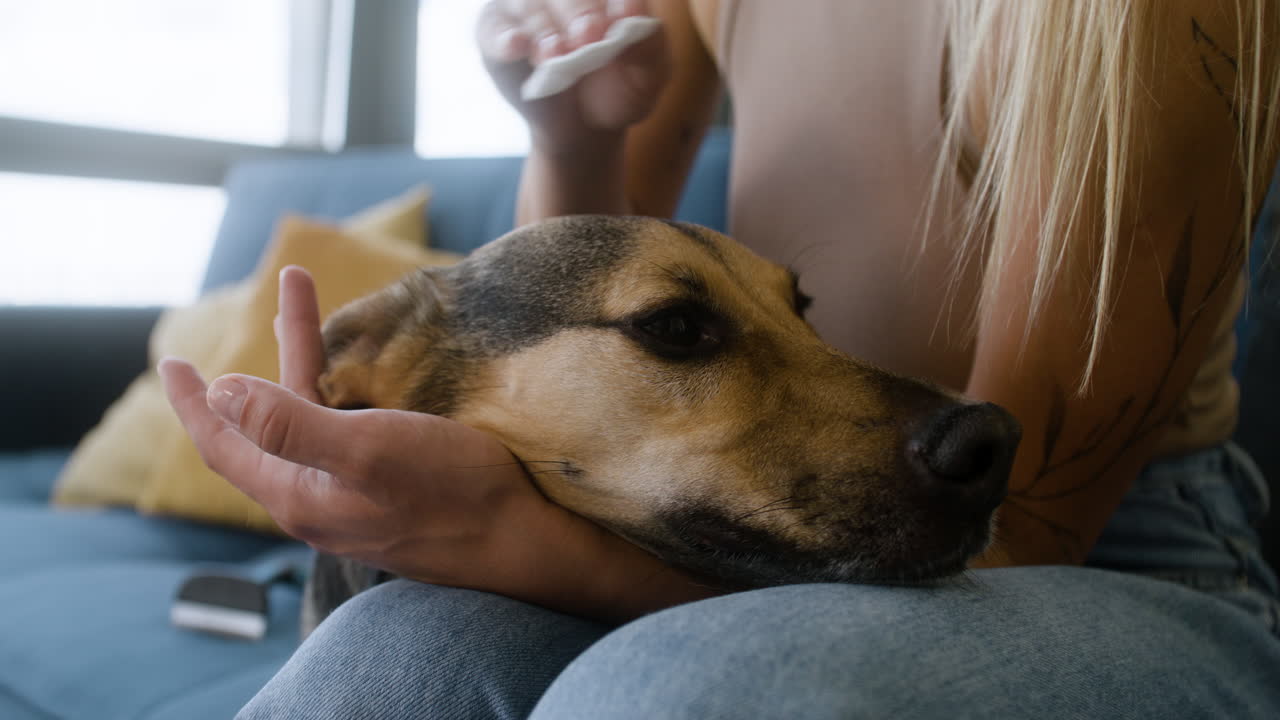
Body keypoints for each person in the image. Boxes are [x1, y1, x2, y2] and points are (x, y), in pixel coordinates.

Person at [159, 0, 1280, 717]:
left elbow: (1016, 528)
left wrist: (523, 544)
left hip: (1102, 556)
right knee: (394, 655)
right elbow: (598, 274)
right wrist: (574, 138)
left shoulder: (1154, 19)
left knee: (679, 695)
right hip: (776, 514)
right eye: (688, 330)